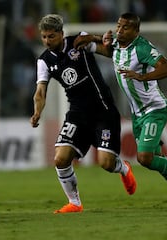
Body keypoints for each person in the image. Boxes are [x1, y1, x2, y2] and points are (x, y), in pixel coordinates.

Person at [74, 12, 167, 211]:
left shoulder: (143, 48)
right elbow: (111, 52)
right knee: (155, 158)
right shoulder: (118, 45)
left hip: (154, 108)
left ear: (136, 31)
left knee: (145, 158)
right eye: (118, 26)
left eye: (125, 27)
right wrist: (91, 40)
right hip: (137, 113)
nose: (120, 30)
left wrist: (142, 77)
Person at [30, 14, 136, 214]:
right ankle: (75, 203)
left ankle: (123, 168)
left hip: (103, 109)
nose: (46, 41)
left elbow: (108, 51)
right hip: (78, 114)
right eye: (43, 37)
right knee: (60, 159)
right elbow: (40, 91)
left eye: (51, 36)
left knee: (106, 163)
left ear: (61, 34)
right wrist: (37, 112)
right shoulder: (43, 61)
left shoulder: (79, 41)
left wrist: (97, 39)